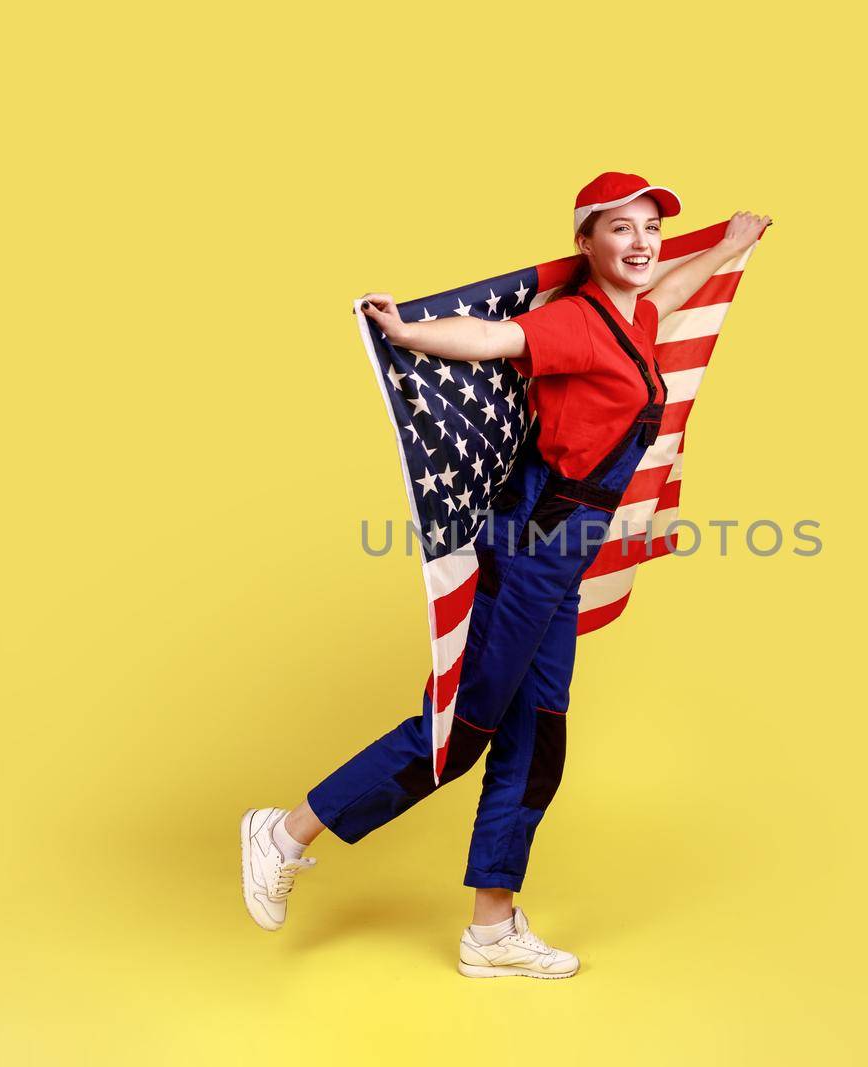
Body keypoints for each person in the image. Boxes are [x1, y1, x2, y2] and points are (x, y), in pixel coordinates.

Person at [241, 171, 771, 979]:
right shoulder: (576, 324)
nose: (641, 244)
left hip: (568, 551)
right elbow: (494, 339)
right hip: (534, 542)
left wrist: (731, 244)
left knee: (539, 734)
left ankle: (492, 929)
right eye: (619, 229)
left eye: (649, 230)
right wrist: (410, 334)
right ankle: (284, 832)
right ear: (584, 242)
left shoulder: (639, 315)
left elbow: (672, 280)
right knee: (461, 734)